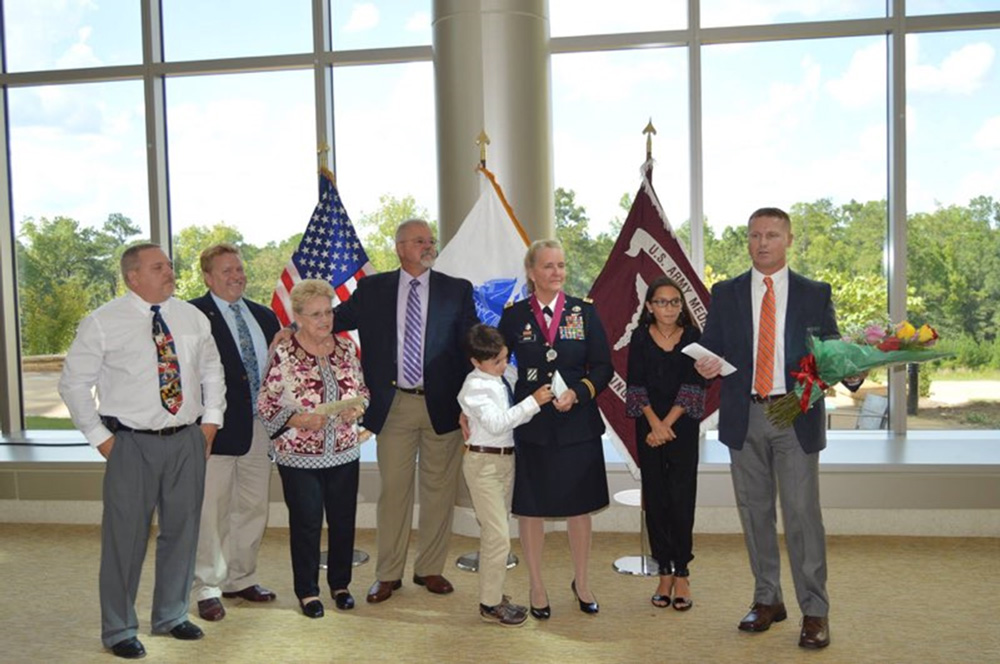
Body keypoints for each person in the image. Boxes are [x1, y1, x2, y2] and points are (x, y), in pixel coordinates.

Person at [694, 207, 860, 650]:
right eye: (754, 235)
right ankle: (768, 598)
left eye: (771, 235)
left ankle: (815, 610)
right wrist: (704, 362)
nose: (761, 243)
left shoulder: (814, 293)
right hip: (743, 414)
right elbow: (711, 346)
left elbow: (831, 350)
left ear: (788, 240)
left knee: (802, 513)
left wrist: (853, 370)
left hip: (795, 411)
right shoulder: (726, 292)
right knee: (755, 512)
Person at [58, 242, 225, 659]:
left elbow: (211, 369)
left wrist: (211, 421)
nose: (169, 272)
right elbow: (74, 384)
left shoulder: (191, 317)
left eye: (169, 265)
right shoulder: (102, 322)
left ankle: (171, 615)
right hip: (130, 444)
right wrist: (100, 437)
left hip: (187, 440)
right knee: (125, 539)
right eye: (158, 267)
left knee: (182, 532)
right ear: (133, 277)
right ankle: (119, 629)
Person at [333, 218, 478, 604]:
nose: (428, 246)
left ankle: (429, 568)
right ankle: (388, 574)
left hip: (442, 406)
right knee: (394, 492)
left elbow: (472, 344)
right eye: (418, 241)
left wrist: (475, 396)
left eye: (431, 240)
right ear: (399, 248)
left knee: (438, 492)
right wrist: (296, 326)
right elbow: (333, 320)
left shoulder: (456, 290)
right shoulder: (372, 289)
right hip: (393, 405)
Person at [497, 239, 612, 619]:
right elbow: (494, 363)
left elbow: (603, 366)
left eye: (561, 265)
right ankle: (537, 585)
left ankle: (583, 582)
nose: (557, 272)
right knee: (531, 508)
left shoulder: (584, 312)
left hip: (577, 424)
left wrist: (579, 393)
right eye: (548, 266)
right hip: (533, 424)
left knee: (580, 508)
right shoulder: (514, 316)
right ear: (531, 272)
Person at [257, 279, 369, 618]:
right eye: (316, 314)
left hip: (345, 451)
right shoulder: (284, 353)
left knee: (343, 520)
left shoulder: (346, 348)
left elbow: (363, 391)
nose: (325, 320)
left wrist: (358, 408)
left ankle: (341, 585)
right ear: (299, 318)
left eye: (328, 312)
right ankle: (307, 591)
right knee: (306, 524)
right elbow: (265, 402)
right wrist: (298, 419)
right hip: (298, 456)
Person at [188, 243, 281, 621]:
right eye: (226, 270)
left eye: (239, 269)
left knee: (253, 507)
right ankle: (207, 587)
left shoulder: (264, 316)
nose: (236, 276)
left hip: (259, 428)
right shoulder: (192, 316)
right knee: (211, 512)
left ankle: (240, 578)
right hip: (214, 430)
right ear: (208, 277)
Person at [458, 324, 554, 627]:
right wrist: (533, 402)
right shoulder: (474, 387)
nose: (503, 365)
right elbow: (498, 423)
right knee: (498, 536)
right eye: (496, 361)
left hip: (504, 461)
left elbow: (517, 383)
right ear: (475, 362)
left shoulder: (501, 376)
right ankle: (489, 604)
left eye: (504, 358)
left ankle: (494, 596)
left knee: (495, 536)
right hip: (483, 463)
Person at [625, 276, 706, 612]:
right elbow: (635, 385)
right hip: (649, 428)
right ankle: (664, 571)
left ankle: (682, 571)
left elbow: (694, 385)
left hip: (681, 427)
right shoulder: (639, 337)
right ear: (649, 306)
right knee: (656, 499)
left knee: (681, 498)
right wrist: (655, 424)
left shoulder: (693, 336)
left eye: (675, 301)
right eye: (661, 302)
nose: (669, 308)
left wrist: (666, 424)